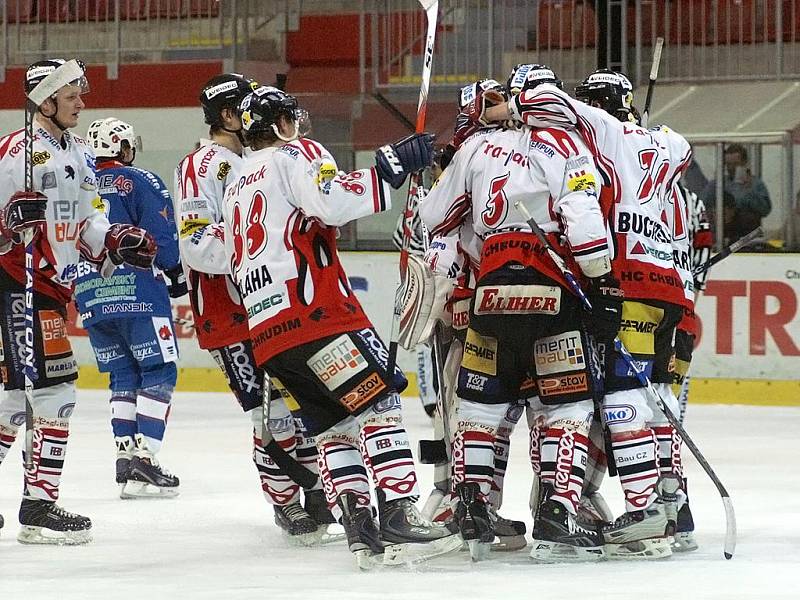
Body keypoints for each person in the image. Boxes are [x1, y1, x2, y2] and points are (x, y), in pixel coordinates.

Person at [226, 84, 460, 568]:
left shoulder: (234, 183)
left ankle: (359, 526)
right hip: (318, 318)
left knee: (334, 425)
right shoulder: (295, 154)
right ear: (280, 125)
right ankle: (397, 513)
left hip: (269, 335)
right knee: (378, 404)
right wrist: (388, 169)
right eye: (292, 118)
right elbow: (329, 203)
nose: (299, 126)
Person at [468, 68, 693, 559]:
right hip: (668, 282)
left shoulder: (593, 130)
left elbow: (552, 106)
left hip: (624, 276)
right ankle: (672, 505)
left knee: (618, 396)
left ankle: (646, 512)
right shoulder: (671, 143)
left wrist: (503, 111)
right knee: (649, 393)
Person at [420, 64, 614, 562]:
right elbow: (584, 219)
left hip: (491, 295)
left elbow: (433, 217)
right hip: (553, 293)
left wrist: (449, 277)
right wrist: (599, 274)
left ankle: (473, 509)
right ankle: (556, 513)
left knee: (481, 407)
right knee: (565, 408)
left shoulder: (476, 149)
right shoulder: (569, 144)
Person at [0, 58, 156, 544]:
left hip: (53, 284)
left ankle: (38, 504)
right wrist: (6, 225)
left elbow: (88, 219)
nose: (82, 104)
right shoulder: (14, 153)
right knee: (53, 393)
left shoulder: (80, 152)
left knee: (13, 401)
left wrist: (116, 238)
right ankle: (40, 507)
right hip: (17, 282)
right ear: (44, 99)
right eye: (71, 96)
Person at [174, 73, 335, 542]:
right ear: (227, 115)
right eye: (243, 107)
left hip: (270, 305)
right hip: (227, 312)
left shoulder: (257, 160)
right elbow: (196, 242)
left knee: (300, 402)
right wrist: (253, 248)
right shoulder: (201, 165)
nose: (254, 115)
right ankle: (287, 501)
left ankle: (315, 491)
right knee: (268, 415)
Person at [76, 117, 185, 498]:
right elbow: (162, 237)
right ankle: (146, 459)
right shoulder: (141, 179)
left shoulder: (79, 181)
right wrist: (175, 270)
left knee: (122, 375)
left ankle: (125, 455)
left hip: (90, 291)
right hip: (136, 289)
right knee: (159, 369)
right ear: (122, 146)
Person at [702, 143, 771, 243]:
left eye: (736, 164)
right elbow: (702, 204)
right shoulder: (717, 184)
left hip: (748, 237)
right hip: (722, 235)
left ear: (744, 163)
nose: (731, 168)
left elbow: (765, 210)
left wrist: (749, 191)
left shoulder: (755, 184)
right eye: (728, 164)